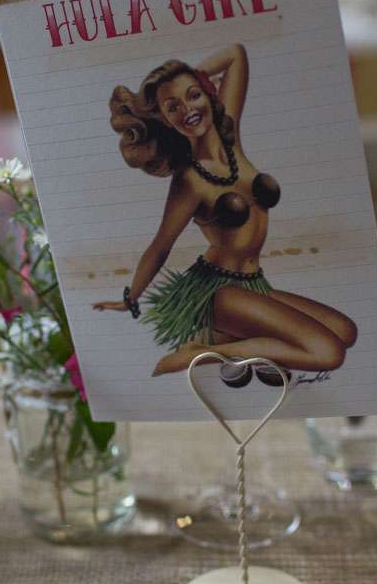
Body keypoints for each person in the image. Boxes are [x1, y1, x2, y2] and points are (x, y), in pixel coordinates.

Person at [92, 44, 357, 379]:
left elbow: (235, 54)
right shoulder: (189, 179)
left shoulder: (231, 140)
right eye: (173, 107)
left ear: (208, 92)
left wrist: (192, 80)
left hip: (254, 284)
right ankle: (203, 353)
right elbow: (160, 245)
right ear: (166, 121)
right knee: (328, 351)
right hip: (218, 293)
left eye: (193, 95)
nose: (187, 109)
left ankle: (234, 341)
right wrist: (130, 298)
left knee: (345, 331)